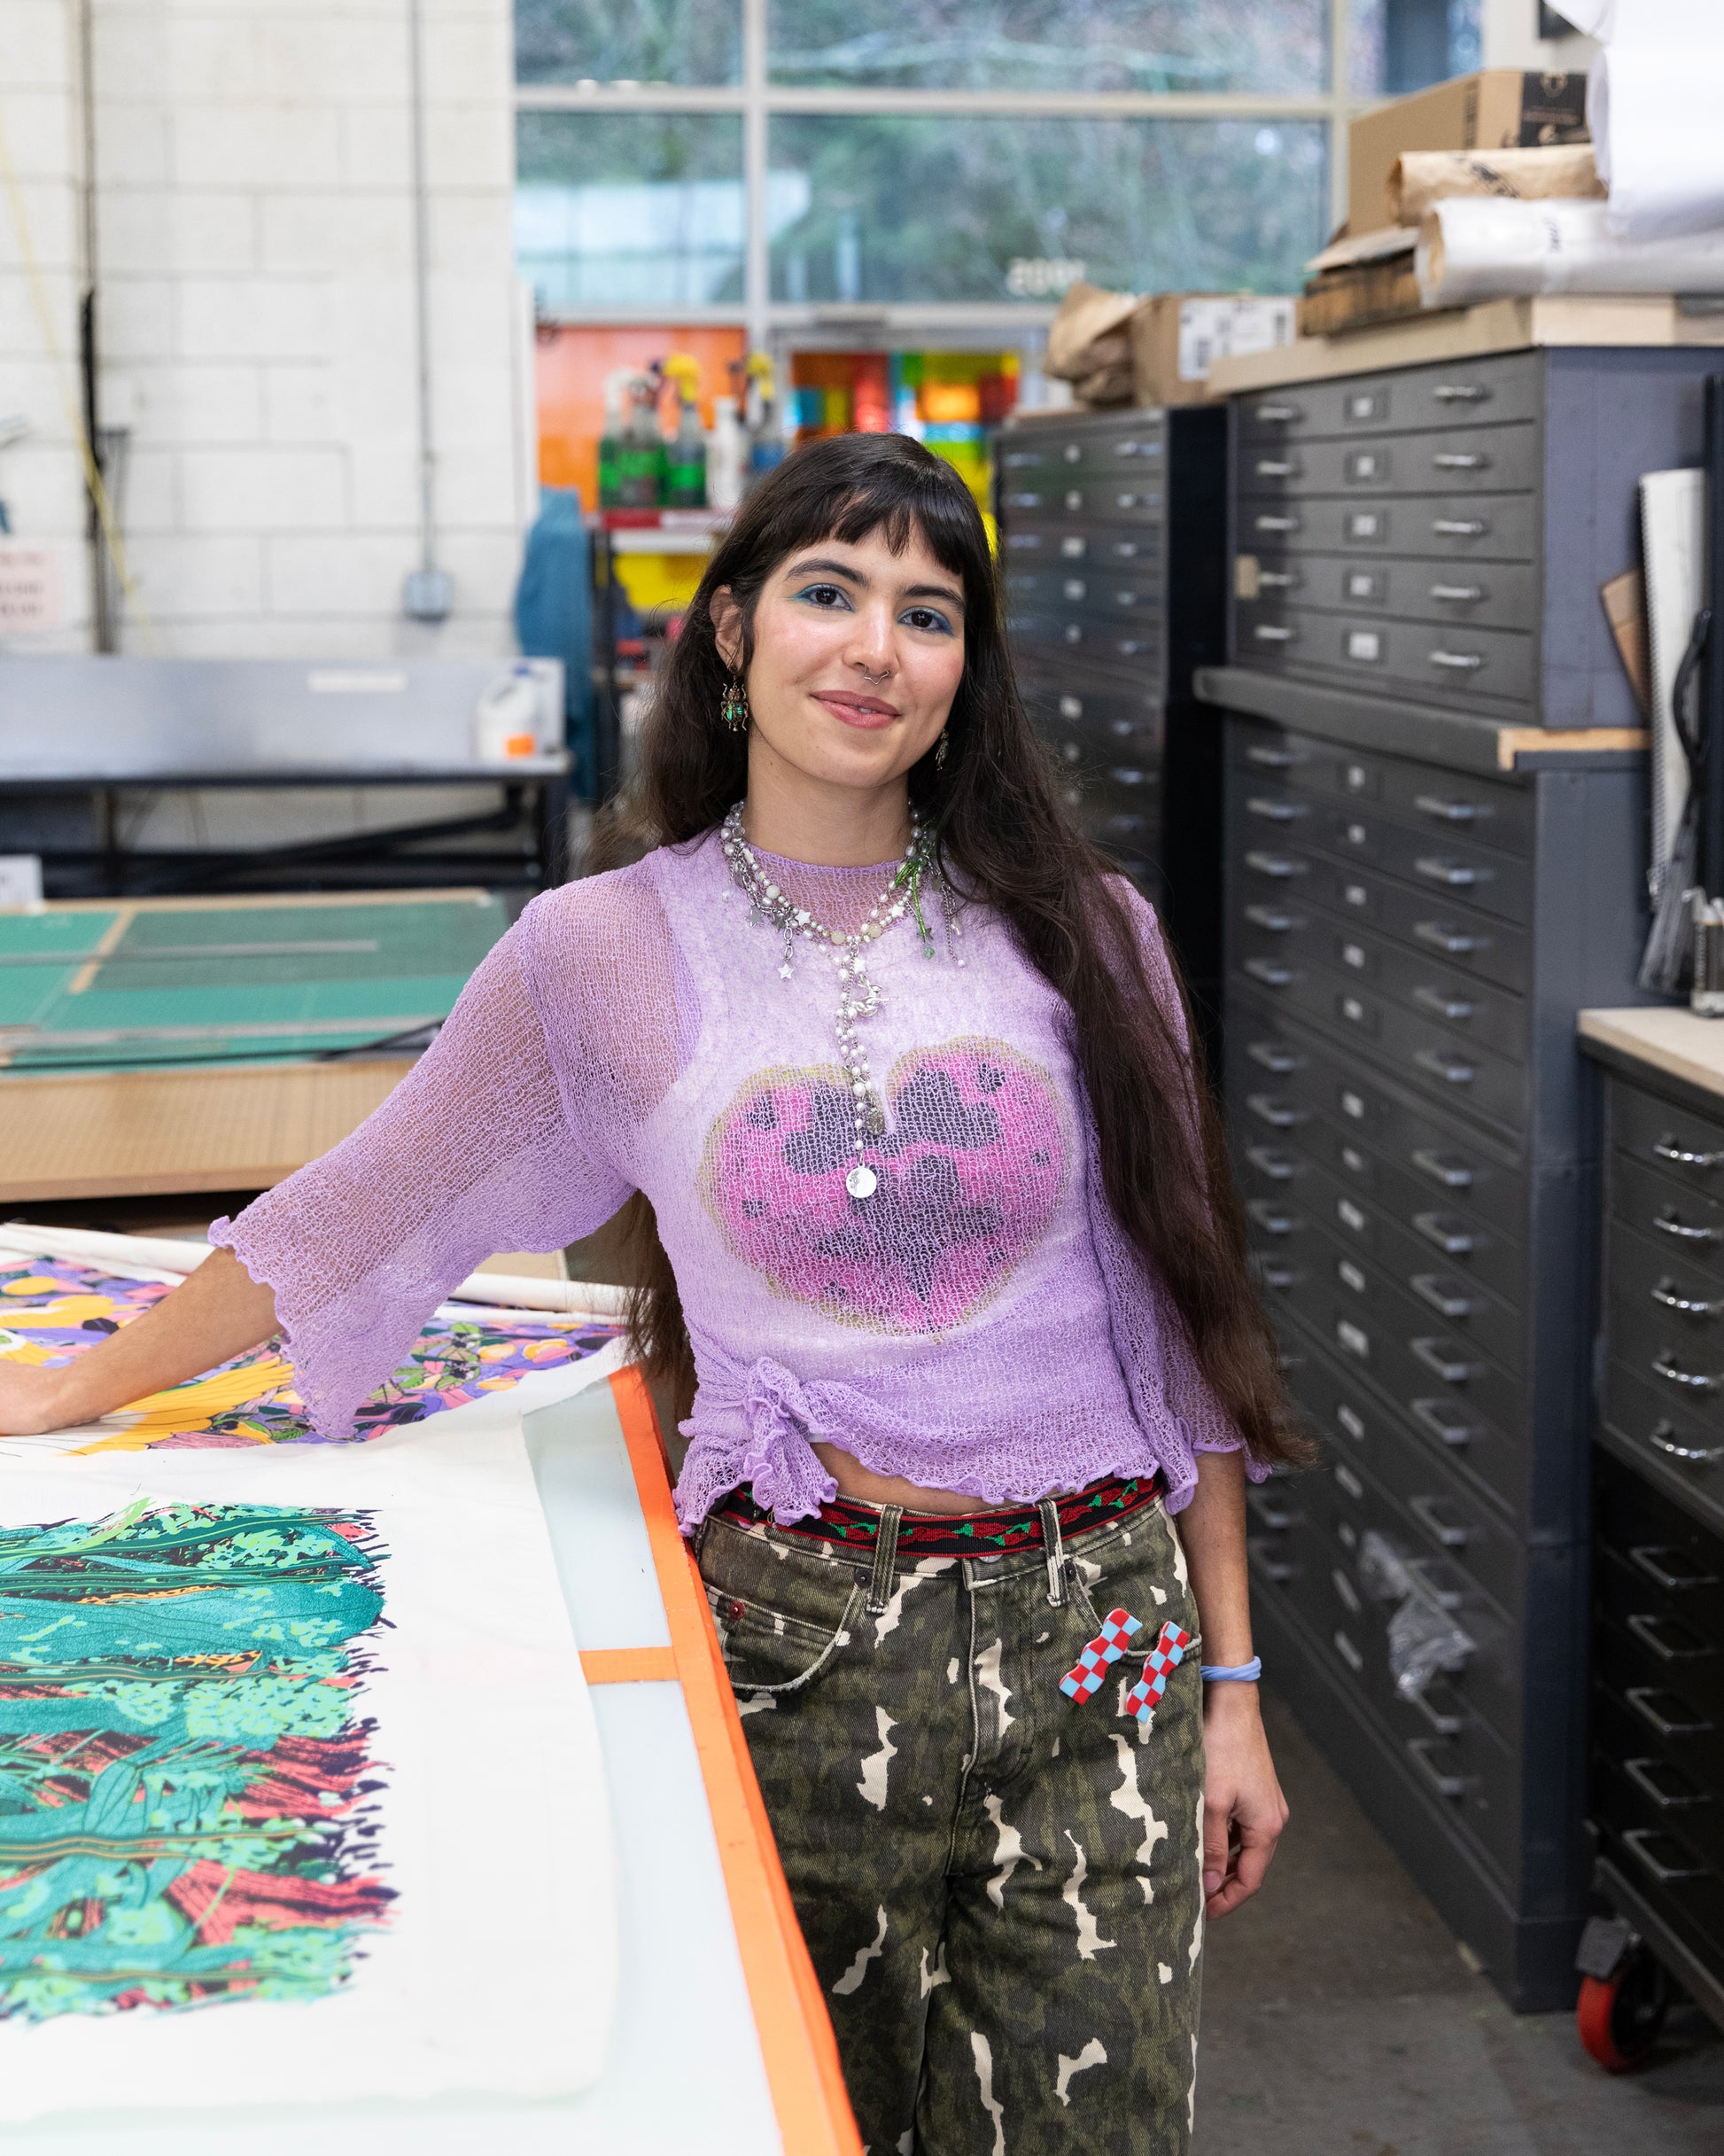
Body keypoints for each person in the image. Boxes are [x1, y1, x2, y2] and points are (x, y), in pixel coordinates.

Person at [0, 432, 1305, 2152]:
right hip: (801, 1644)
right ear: (731, 630)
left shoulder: (1084, 927)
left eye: (927, 613)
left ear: (962, 672)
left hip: (1104, 1639)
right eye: (829, 592)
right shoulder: (600, 951)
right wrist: (63, 1388)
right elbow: (351, 1218)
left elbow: (1179, 1320)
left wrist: (1233, 1683)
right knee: (797, 2112)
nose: (875, 647)